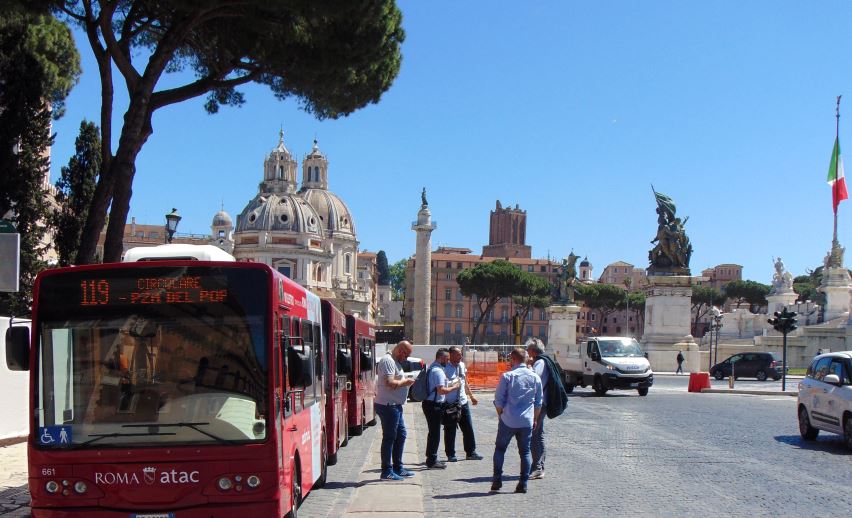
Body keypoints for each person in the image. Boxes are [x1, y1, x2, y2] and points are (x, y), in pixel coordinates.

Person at [492, 347, 542, 494]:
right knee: (525, 452)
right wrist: (535, 419)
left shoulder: (507, 376)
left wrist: (501, 414)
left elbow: (498, 400)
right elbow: (539, 402)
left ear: (513, 359)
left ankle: (497, 480)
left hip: (508, 418)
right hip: (526, 420)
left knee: (500, 449)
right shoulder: (535, 377)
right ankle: (523, 482)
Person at [374, 340, 417, 481]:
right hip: (388, 405)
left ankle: (398, 467)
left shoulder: (394, 361)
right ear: (400, 351)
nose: (406, 358)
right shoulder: (388, 361)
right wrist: (406, 382)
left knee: (401, 435)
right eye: (406, 355)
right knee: (390, 438)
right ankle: (387, 471)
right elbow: (389, 383)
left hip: (394, 405)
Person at [422, 348, 460, 469]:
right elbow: (441, 390)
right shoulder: (437, 370)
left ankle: (431, 457)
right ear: (442, 358)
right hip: (434, 405)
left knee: (433, 432)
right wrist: (455, 387)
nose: (448, 361)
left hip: (430, 404)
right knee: (435, 433)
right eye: (447, 359)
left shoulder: (432, 367)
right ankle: (432, 460)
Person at [443, 346, 483, 462]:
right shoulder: (445, 367)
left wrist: (471, 396)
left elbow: (465, 382)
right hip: (450, 403)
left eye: (460, 354)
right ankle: (451, 454)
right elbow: (442, 385)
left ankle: (471, 452)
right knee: (450, 429)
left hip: (463, 402)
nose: (460, 356)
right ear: (450, 355)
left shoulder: (462, 365)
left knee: (468, 428)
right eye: (457, 354)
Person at [526, 338, 548, 480]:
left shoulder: (540, 362)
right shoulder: (541, 361)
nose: (527, 352)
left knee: (535, 435)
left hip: (539, 404)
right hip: (541, 402)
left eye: (528, 349)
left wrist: (527, 366)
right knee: (538, 434)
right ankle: (539, 466)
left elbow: (533, 379)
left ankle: (538, 468)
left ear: (533, 350)